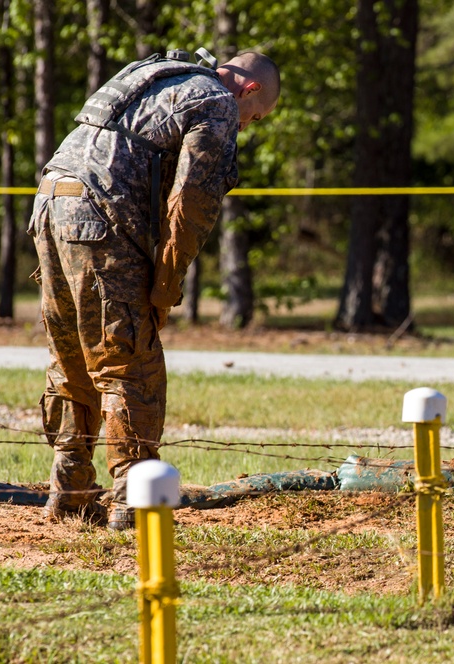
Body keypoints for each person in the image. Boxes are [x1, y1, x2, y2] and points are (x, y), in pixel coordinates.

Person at [28, 50, 280, 530]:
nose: (248, 124)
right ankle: (133, 501)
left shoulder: (153, 73)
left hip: (49, 205)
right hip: (101, 219)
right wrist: (167, 283)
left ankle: (71, 490)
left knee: (72, 358)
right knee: (130, 362)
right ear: (249, 90)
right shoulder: (217, 101)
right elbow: (193, 198)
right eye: (257, 116)